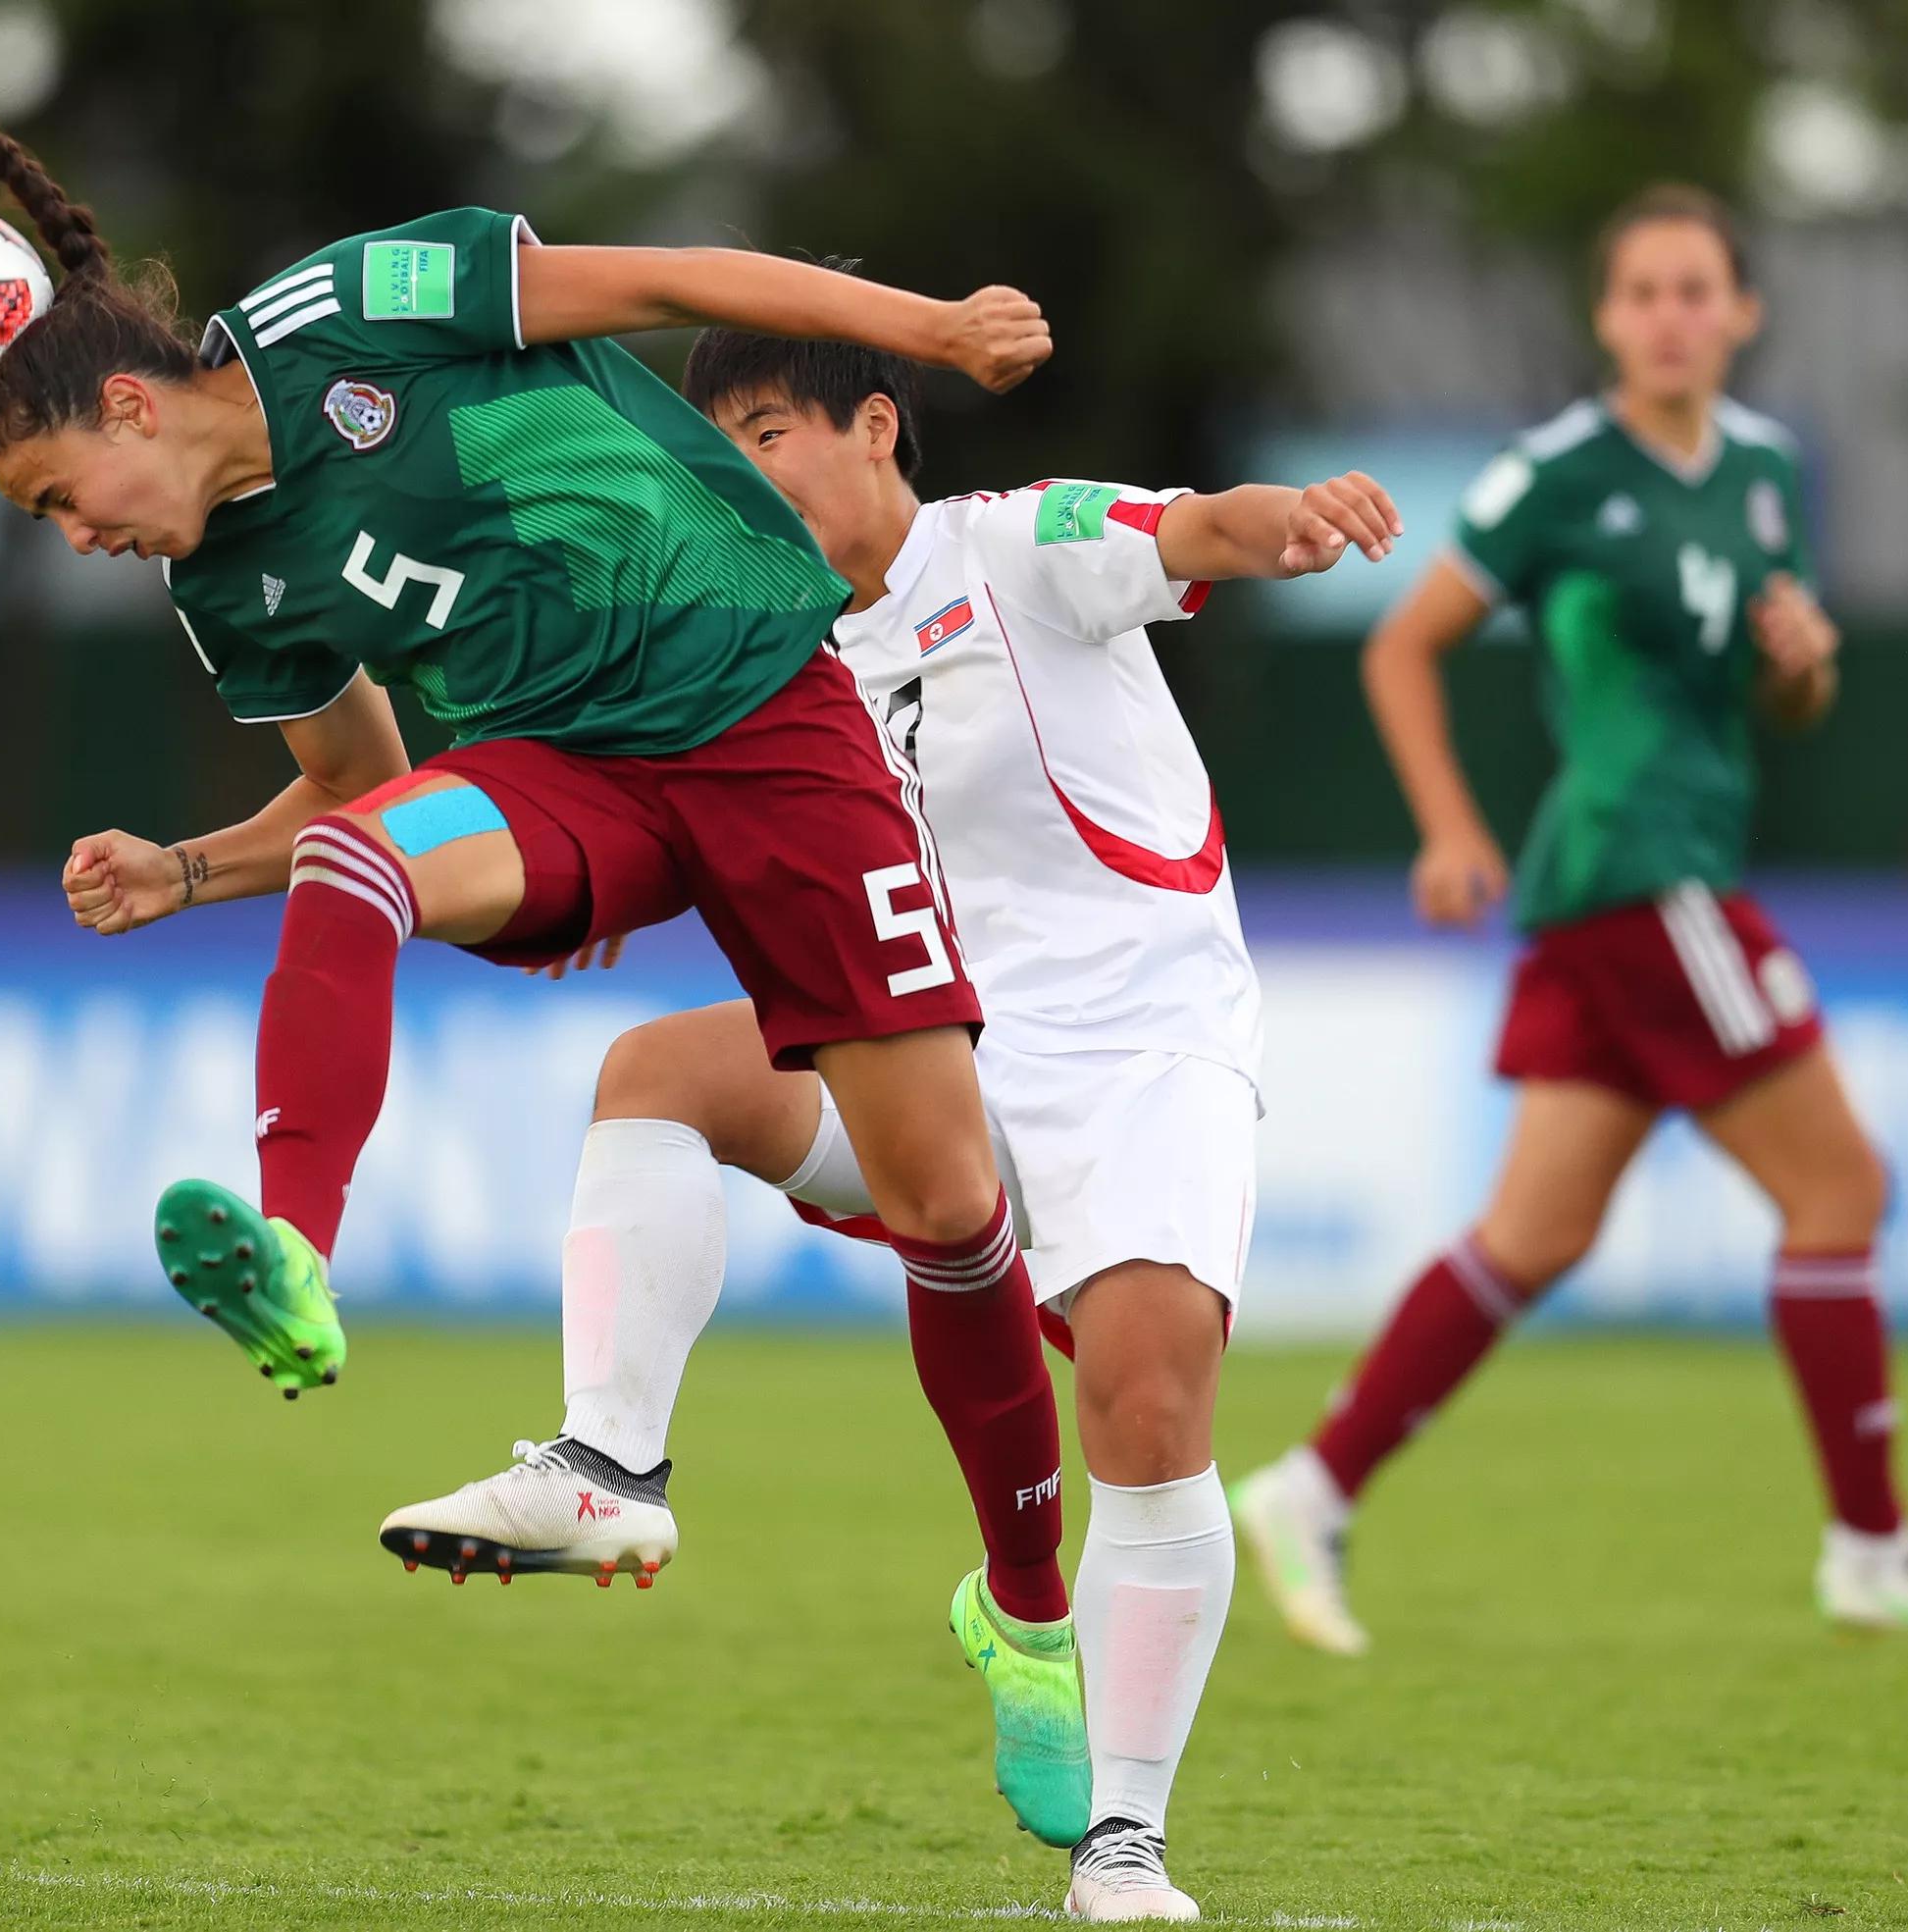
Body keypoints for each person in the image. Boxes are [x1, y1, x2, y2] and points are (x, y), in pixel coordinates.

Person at [0, 6, 1082, 1700]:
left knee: (952, 1205)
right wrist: (185, 872)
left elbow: (678, 280)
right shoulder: (222, 589)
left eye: (58, 496)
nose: (77, 535)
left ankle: (1030, 1614)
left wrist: (928, 328)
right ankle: (295, 1253)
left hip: (763, 709)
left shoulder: (350, 311)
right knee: (359, 871)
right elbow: (356, 793)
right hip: (568, 780)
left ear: (122, 401)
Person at [380, 314, 1400, 1922]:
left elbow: (1191, 528)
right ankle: (605, 1463)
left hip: (1144, 1050)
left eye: (768, 432)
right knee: (655, 1073)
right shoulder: (745, 653)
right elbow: (606, 806)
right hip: (927, 1055)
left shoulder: (1017, 548)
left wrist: (1300, 519)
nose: (742, 477)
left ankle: (1123, 1838)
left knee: (1145, 1401)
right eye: (714, 458)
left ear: (875, 429)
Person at [1228, 184, 1908, 1657]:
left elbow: (1784, 696)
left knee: (1534, 1233)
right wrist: (1449, 823)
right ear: (1607, 317)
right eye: (1643, 293)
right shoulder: (1558, 473)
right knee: (1841, 1191)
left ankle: (1313, 1484)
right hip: (1642, 871)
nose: (1671, 315)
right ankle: (1873, 1544)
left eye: (1698, 291)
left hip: (1644, 880)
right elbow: (1406, 647)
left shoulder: (1762, 472)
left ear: (1741, 311)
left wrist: (1804, 660)